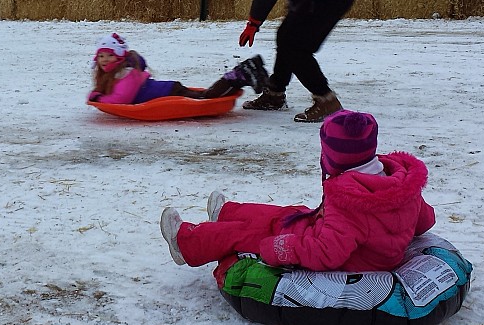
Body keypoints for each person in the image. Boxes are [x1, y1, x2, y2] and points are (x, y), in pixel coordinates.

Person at [159, 110, 435, 272]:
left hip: (352, 262)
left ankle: (186, 243)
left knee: (257, 235)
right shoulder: (399, 182)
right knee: (290, 214)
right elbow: (425, 220)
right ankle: (228, 211)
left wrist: (280, 248)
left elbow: (327, 252)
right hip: (344, 236)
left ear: (334, 157)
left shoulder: (349, 201)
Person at [88, 33, 268, 104]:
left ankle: (240, 74)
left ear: (119, 56)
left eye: (110, 55)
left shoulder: (126, 73)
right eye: (101, 56)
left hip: (170, 92)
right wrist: (98, 93)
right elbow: (107, 91)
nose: (105, 60)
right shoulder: (113, 74)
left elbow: (122, 98)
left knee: (206, 99)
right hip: (169, 90)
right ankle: (245, 71)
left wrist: (98, 98)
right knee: (205, 96)